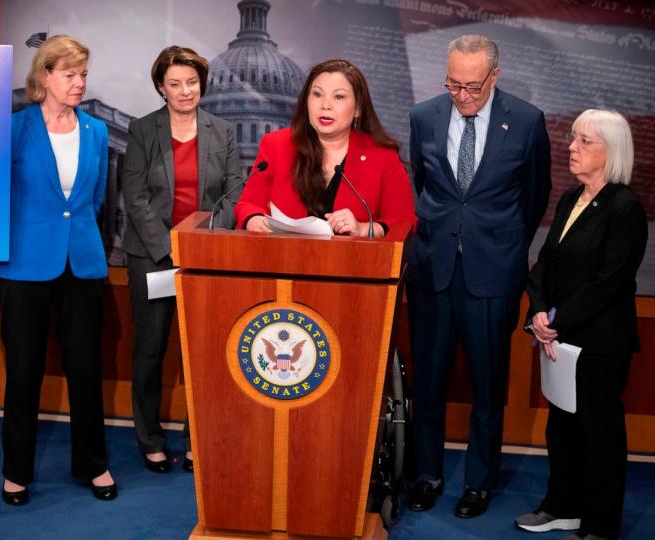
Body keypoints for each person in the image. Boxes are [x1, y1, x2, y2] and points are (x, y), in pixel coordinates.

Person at [405, 34, 552, 518]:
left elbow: (534, 197)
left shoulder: (527, 121)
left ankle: (478, 482)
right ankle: (426, 475)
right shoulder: (425, 115)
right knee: (428, 383)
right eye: (453, 83)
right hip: (433, 272)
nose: (461, 95)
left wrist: (498, 243)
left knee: (488, 387)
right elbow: (422, 187)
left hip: (493, 274)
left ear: (494, 76)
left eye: (472, 86)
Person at [0, 35, 116, 506]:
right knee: (24, 373)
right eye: (70, 74)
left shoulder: (96, 132)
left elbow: (97, 197)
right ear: (44, 76)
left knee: (86, 370)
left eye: (83, 73)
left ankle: (93, 465)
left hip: (81, 265)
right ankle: (16, 473)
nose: (80, 82)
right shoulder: (13, 128)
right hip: (22, 266)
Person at [515, 109, 646, 540]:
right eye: (573, 138)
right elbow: (544, 265)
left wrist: (556, 320)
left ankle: (600, 525)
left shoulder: (625, 208)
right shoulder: (572, 199)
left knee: (599, 433)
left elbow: (609, 282)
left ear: (612, 152)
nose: (571, 147)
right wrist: (538, 311)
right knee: (562, 427)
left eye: (584, 141)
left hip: (600, 344)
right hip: (559, 339)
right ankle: (562, 507)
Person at [121, 45, 243, 473]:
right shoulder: (142, 131)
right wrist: (171, 246)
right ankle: (150, 439)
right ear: (161, 87)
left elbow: (235, 191)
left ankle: (198, 440)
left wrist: (200, 241)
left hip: (205, 257)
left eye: (192, 82)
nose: (185, 90)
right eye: (175, 84)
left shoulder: (223, 131)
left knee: (204, 354)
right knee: (150, 352)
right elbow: (134, 198)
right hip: (153, 257)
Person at [234, 59, 415, 235]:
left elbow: (404, 222)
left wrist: (362, 229)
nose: (325, 106)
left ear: (358, 108)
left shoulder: (382, 156)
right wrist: (253, 219)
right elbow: (247, 206)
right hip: (283, 259)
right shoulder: (276, 145)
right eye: (317, 94)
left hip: (353, 261)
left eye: (339, 97)